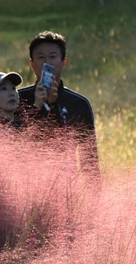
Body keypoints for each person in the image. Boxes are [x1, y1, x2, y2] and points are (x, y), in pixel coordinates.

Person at [18, 30, 99, 177]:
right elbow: (14, 143)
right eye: (40, 57)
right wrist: (37, 107)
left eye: (53, 57)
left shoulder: (78, 103)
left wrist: (94, 196)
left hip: (66, 186)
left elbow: (90, 159)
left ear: (63, 62)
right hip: (26, 185)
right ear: (32, 64)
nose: (47, 63)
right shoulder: (19, 99)